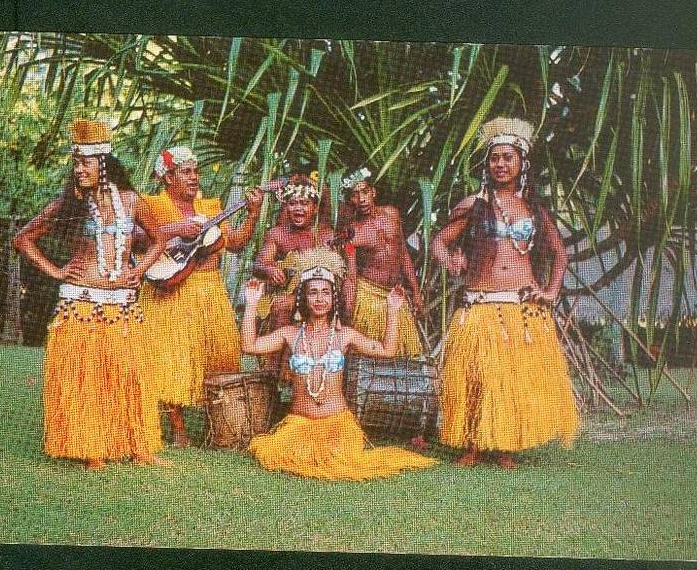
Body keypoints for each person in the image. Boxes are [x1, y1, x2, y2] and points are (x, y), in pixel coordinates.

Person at [13, 119, 168, 470]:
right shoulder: (69, 205)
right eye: (76, 163)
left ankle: (137, 446)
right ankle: (89, 446)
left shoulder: (131, 201)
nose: (78, 170)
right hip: (81, 301)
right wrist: (57, 271)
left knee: (127, 373)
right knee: (87, 376)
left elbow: (159, 240)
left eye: (84, 163)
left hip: (123, 304)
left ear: (103, 163)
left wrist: (137, 271)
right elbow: (23, 240)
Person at [431, 117, 580, 469]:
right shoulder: (473, 205)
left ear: (521, 164)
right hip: (480, 304)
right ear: (487, 164)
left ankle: (505, 446)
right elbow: (439, 241)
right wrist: (451, 260)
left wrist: (551, 291)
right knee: (474, 377)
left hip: (521, 307)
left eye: (507, 158)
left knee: (512, 380)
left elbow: (560, 254)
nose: (500, 164)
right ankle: (470, 444)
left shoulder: (534, 209)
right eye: (494, 158)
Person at [241, 247, 438, 480]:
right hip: (299, 424)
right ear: (303, 297)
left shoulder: (344, 336)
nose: (319, 299)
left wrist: (393, 311)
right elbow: (249, 346)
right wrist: (252, 304)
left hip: (337, 424)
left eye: (325, 292)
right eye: (313, 293)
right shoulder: (290, 334)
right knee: (280, 456)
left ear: (333, 297)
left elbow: (387, 350)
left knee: (339, 461)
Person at [137, 146, 264, 447]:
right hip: (171, 289)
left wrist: (254, 214)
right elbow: (134, 237)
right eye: (186, 172)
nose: (194, 177)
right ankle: (179, 432)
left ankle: (220, 425)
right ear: (168, 177)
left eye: (195, 171)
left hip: (210, 290)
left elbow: (233, 243)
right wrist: (172, 229)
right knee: (173, 359)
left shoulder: (210, 205)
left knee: (220, 356)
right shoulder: (151, 204)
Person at [252, 173, 342, 375]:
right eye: (292, 203)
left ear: (315, 208)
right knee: (282, 305)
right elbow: (259, 264)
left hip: (315, 296)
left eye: (304, 203)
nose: (298, 209)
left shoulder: (326, 235)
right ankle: (272, 373)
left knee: (293, 304)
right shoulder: (277, 233)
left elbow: (336, 275)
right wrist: (269, 269)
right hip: (283, 294)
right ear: (286, 207)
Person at [338, 167, 425, 356]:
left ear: (373, 192)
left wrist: (416, 292)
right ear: (349, 200)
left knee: (401, 358)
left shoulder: (392, 215)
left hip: (395, 297)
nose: (361, 199)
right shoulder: (351, 234)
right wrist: (347, 314)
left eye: (365, 192)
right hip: (367, 297)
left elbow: (403, 254)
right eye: (354, 195)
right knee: (368, 360)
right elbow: (351, 277)